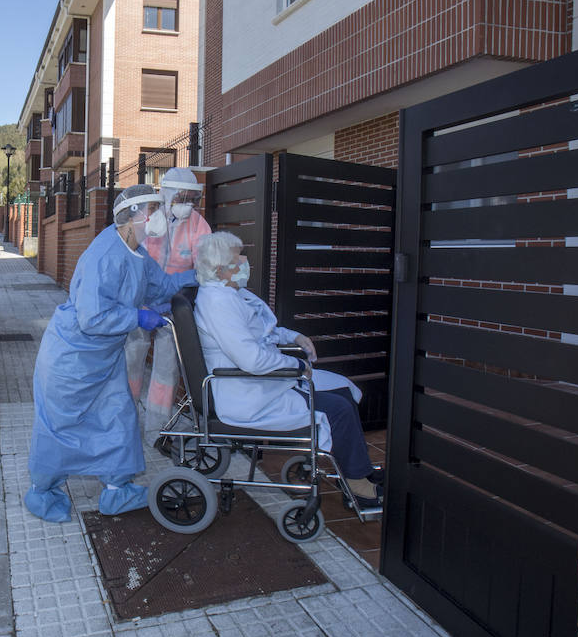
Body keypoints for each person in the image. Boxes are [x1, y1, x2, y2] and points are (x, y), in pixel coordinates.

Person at [24, 184, 199, 522]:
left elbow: (159, 285)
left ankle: (118, 490)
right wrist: (136, 316)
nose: (158, 217)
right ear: (132, 217)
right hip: (72, 358)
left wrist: (199, 275)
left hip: (104, 357)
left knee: (118, 416)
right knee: (61, 425)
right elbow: (92, 317)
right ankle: (42, 490)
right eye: (153, 210)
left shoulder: (136, 251)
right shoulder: (105, 254)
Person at [191, 230, 382, 507]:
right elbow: (252, 359)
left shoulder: (230, 293)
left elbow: (262, 331)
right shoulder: (219, 303)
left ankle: (358, 471)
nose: (246, 262)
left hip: (263, 383)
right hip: (248, 392)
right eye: (238, 258)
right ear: (221, 269)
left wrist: (293, 337)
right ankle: (358, 487)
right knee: (338, 409)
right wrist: (295, 365)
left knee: (342, 392)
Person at [125, 168, 212, 439]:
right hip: (140, 305)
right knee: (131, 362)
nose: (187, 204)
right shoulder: (148, 219)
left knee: (166, 370)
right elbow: (130, 257)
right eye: (182, 197)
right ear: (168, 194)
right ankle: (125, 424)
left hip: (173, 307)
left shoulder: (198, 225)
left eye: (192, 198)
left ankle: (156, 430)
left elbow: (206, 263)